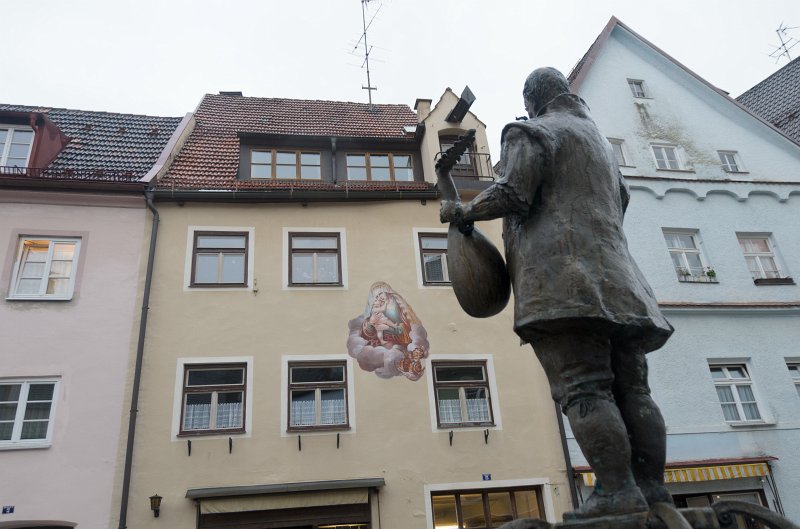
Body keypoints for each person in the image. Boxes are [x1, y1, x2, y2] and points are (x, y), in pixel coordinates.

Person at [440, 67, 674, 519]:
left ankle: (617, 490)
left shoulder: (529, 132)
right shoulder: (602, 147)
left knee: (584, 387)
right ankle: (653, 490)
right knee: (634, 391)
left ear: (532, 102)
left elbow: (513, 194)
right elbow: (621, 203)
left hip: (563, 287)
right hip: (622, 284)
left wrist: (464, 211)